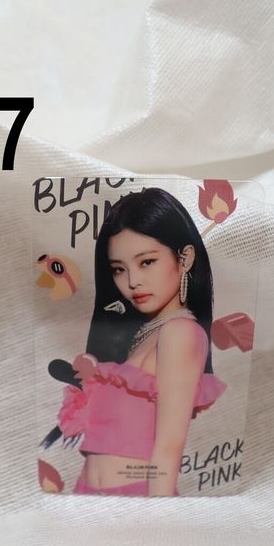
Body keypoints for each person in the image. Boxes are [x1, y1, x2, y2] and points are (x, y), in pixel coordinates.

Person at [52, 186, 227, 496]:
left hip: (135, 503)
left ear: (185, 258)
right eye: (119, 269)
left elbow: (168, 450)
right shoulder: (144, 336)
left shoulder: (180, 333)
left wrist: (158, 521)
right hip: (88, 497)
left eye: (146, 262)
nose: (132, 282)